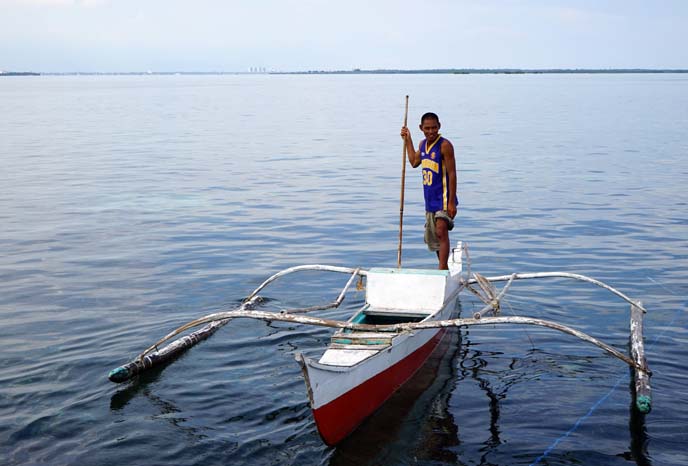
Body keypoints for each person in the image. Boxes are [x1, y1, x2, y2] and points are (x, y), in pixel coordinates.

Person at [401, 112, 458, 270]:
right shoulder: (422, 145)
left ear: (439, 126)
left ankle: (441, 270)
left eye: (434, 128)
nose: (431, 131)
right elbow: (413, 161)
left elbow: (452, 173)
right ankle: (444, 267)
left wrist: (452, 202)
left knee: (441, 230)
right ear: (421, 128)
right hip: (430, 200)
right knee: (435, 238)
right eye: (427, 128)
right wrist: (407, 139)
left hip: (444, 198)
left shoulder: (445, 145)